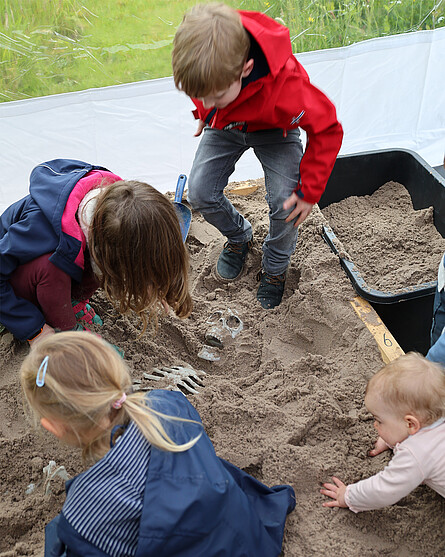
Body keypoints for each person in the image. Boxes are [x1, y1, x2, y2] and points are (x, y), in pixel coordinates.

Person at [21, 332, 296, 556]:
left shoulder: (86, 508)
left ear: (54, 426)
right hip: (248, 536)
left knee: (61, 536)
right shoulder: (169, 404)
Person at [172, 3, 343, 309]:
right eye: (201, 94)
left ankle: (275, 269)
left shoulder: (289, 90)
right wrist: (204, 111)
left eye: (214, 94)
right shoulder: (213, 67)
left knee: (286, 203)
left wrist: (310, 192)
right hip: (225, 123)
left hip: (276, 129)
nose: (206, 99)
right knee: (199, 192)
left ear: (246, 70)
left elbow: (328, 128)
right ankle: (239, 237)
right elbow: (206, 92)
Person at [0, 159, 192, 346]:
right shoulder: (40, 232)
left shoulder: (116, 208)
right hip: (11, 283)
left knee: (95, 260)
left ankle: (73, 302)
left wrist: (161, 286)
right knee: (51, 268)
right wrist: (35, 330)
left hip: (81, 248)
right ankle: (66, 333)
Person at [320, 352, 445, 512]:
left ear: (410, 423)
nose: (375, 425)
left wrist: (347, 496)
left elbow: (383, 490)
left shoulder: (416, 454)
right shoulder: (436, 414)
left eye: (380, 421)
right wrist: (390, 439)